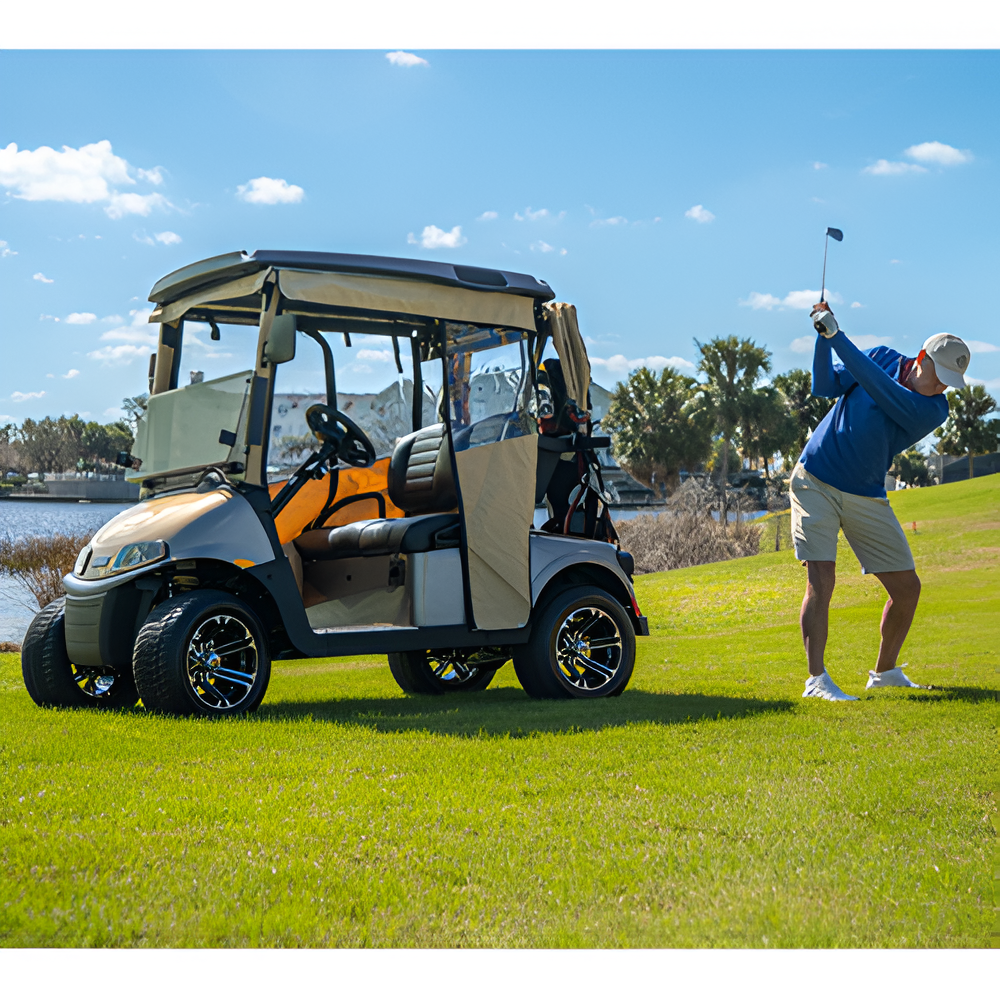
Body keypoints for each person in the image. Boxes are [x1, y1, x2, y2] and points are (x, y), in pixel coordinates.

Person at [790, 302, 972, 701]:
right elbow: (824, 385)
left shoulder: (934, 409)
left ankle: (885, 671)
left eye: (949, 381)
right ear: (921, 358)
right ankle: (816, 680)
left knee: (907, 589)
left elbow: (881, 390)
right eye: (939, 375)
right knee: (821, 580)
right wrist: (823, 339)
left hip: (866, 493)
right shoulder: (884, 357)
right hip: (814, 479)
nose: (942, 386)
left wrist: (838, 337)